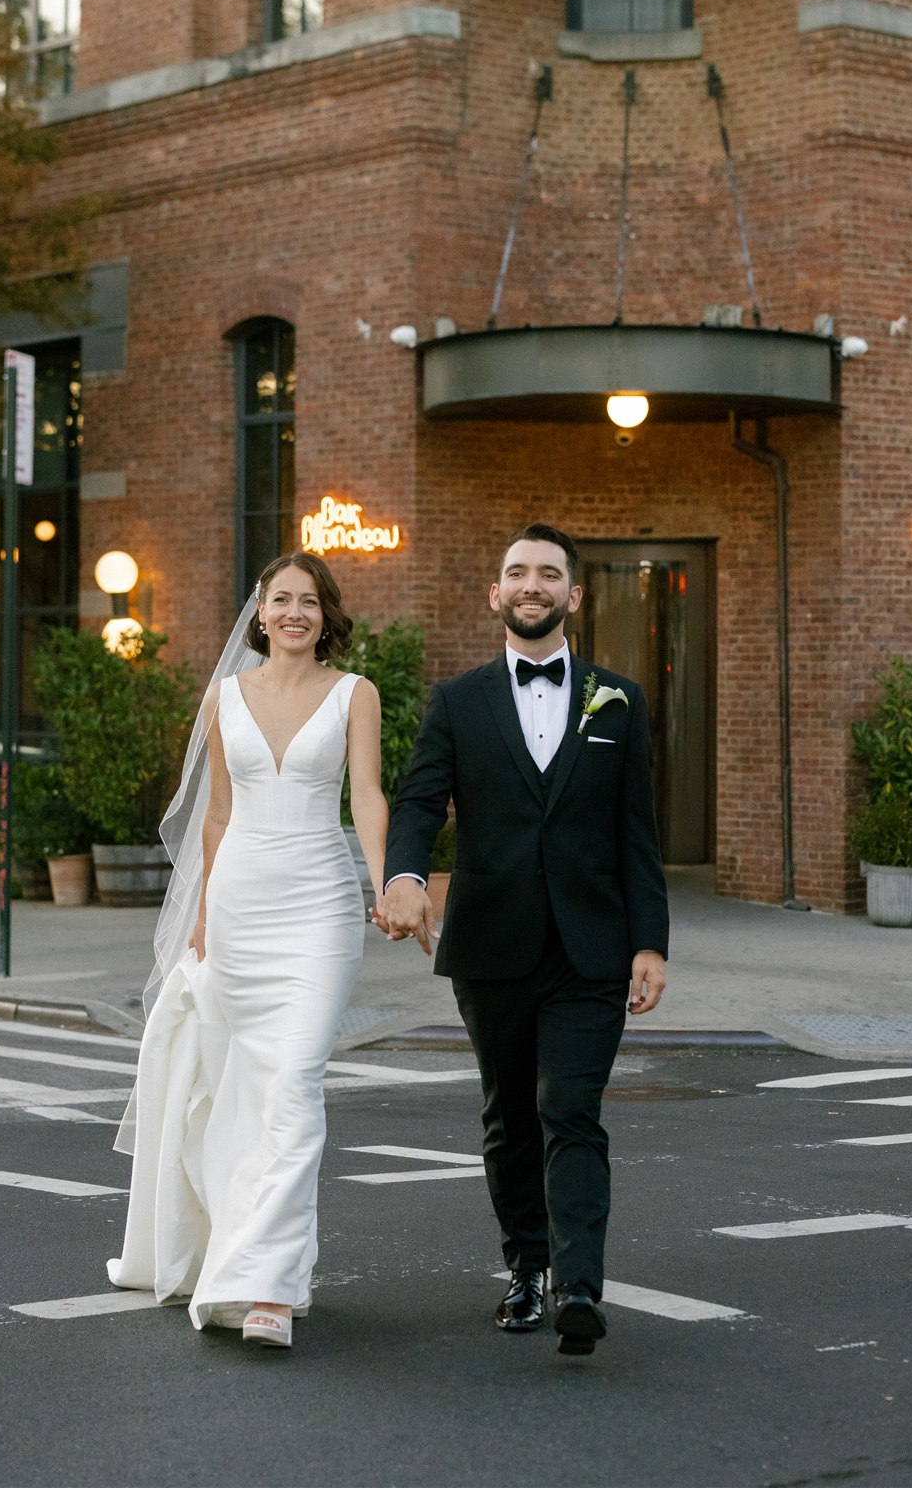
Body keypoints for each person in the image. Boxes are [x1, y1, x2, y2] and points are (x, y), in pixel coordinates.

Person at [382, 523, 669, 1357]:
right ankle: (527, 1270)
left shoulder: (619, 699)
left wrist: (649, 942)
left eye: (548, 574)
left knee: (568, 1109)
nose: (531, 585)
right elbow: (416, 803)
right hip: (491, 945)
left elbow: (635, 834)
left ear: (573, 596)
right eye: (517, 573)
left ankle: (580, 1284)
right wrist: (403, 876)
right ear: (495, 594)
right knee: (510, 1116)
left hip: (592, 948)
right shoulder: (456, 701)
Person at [108, 551, 389, 1349]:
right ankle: (234, 1254)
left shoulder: (353, 695)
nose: (294, 613)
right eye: (280, 600)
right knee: (239, 1093)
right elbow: (218, 818)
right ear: (259, 614)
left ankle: (267, 1286)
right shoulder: (222, 698)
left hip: (319, 908)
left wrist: (385, 883)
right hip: (236, 909)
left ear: (324, 615)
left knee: (293, 1083)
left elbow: (366, 795)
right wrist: (200, 913)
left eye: (308, 601)